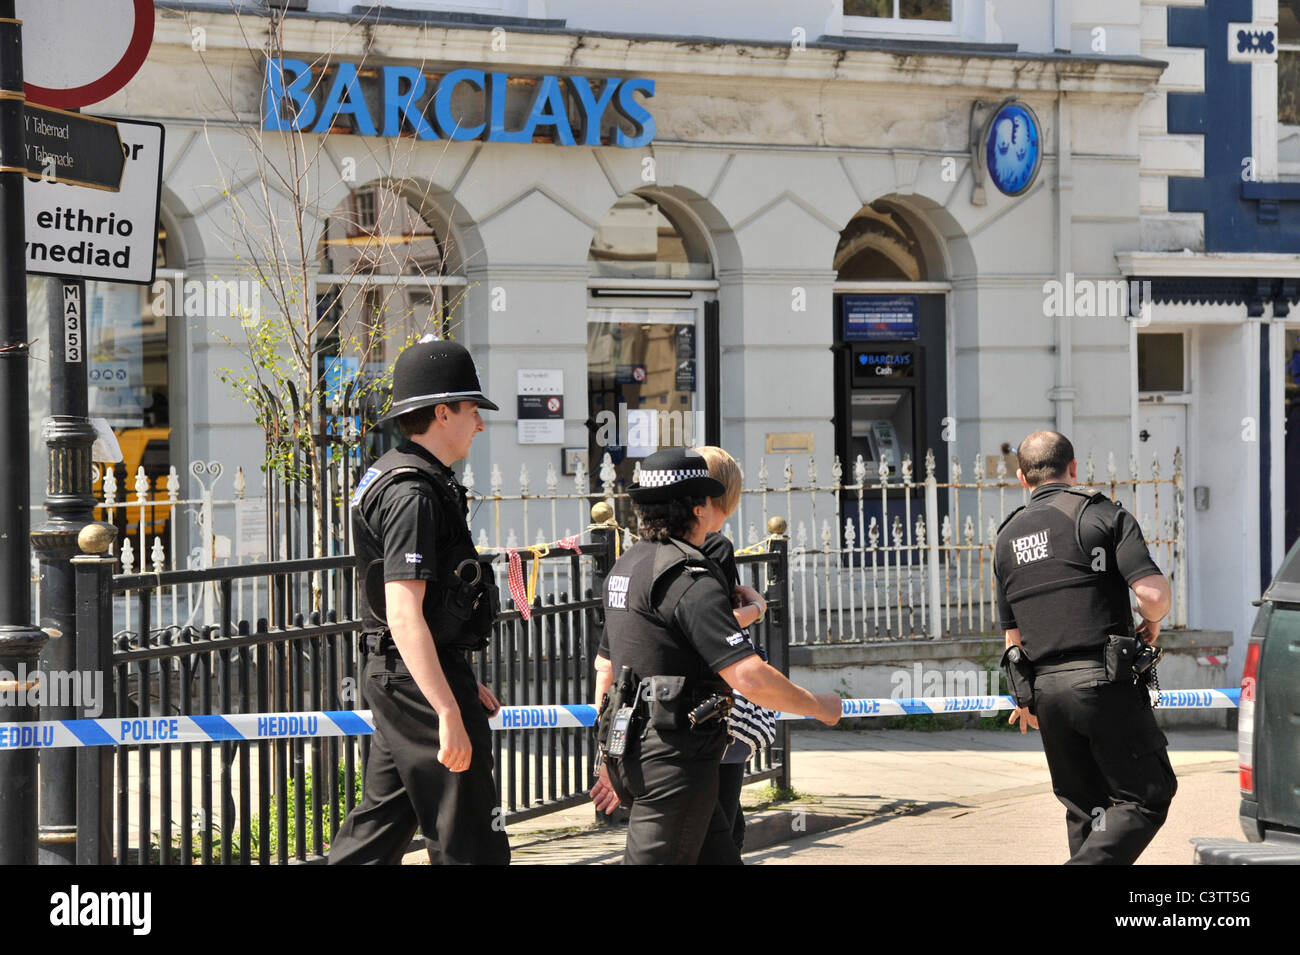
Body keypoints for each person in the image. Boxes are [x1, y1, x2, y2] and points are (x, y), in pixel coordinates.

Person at [590, 447, 841, 865]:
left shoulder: (626, 567)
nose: (714, 507)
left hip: (636, 751)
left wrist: (606, 756)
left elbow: (610, 672)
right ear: (697, 506)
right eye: (709, 497)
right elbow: (749, 676)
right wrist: (819, 707)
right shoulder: (688, 576)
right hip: (675, 763)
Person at [328, 337, 510, 865]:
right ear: (442, 411)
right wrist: (446, 706)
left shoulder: (401, 474)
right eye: (472, 410)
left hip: (408, 674)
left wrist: (455, 678)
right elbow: (404, 613)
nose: (479, 423)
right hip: (412, 679)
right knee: (469, 832)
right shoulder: (413, 493)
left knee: (379, 829)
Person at [992, 430, 1177, 865]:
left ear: (1022, 477)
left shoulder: (1005, 538)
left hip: (1047, 695)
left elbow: (1012, 637)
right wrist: (1151, 624)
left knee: (1089, 811)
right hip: (1102, 683)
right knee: (1147, 795)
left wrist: (1025, 701)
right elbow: (1153, 595)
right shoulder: (1102, 516)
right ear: (1073, 468)